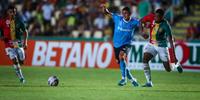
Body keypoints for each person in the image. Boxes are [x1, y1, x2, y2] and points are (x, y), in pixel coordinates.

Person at [140, 9, 183, 87]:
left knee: (168, 69)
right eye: (155, 16)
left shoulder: (165, 25)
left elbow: (171, 40)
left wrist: (174, 58)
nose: (155, 18)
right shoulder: (151, 17)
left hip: (161, 46)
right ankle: (149, 82)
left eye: (158, 17)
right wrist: (142, 32)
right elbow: (141, 21)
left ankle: (176, 65)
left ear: (162, 17)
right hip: (152, 44)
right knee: (145, 59)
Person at [101, 4, 139, 87]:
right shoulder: (118, 18)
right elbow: (108, 13)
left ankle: (123, 79)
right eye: (123, 13)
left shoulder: (134, 22)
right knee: (122, 63)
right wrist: (105, 10)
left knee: (121, 56)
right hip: (116, 44)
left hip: (127, 44)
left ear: (130, 13)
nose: (125, 15)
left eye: (126, 13)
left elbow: (142, 24)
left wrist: (143, 31)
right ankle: (132, 80)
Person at [0, 5, 28, 83]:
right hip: (8, 44)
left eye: (14, 12)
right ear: (7, 13)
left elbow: (25, 32)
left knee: (21, 61)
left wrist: (25, 42)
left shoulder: (19, 21)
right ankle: (21, 78)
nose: (12, 13)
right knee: (15, 60)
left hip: (17, 43)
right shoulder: (3, 21)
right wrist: (1, 36)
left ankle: (18, 67)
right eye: (11, 12)